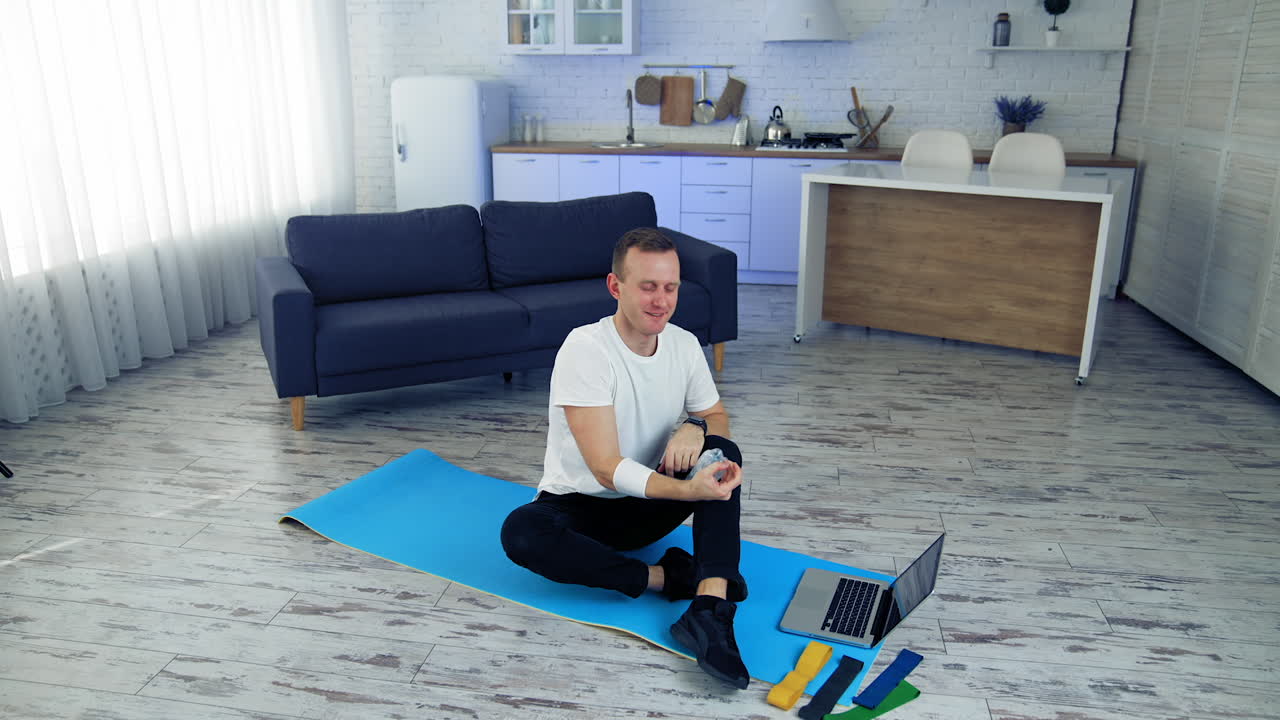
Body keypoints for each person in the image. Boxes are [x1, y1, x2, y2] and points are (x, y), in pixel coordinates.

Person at [500, 227, 750, 689]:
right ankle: (664, 578)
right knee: (521, 532)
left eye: (670, 287)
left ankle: (711, 608)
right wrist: (688, 490)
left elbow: (715, 413)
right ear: (616, 287)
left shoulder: (682, 344)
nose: (661, 301)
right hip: (581, 507)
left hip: (650, 500)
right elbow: (605, 468)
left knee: (723, 454)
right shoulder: (586, 349)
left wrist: (694, 427)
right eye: (648, 287)